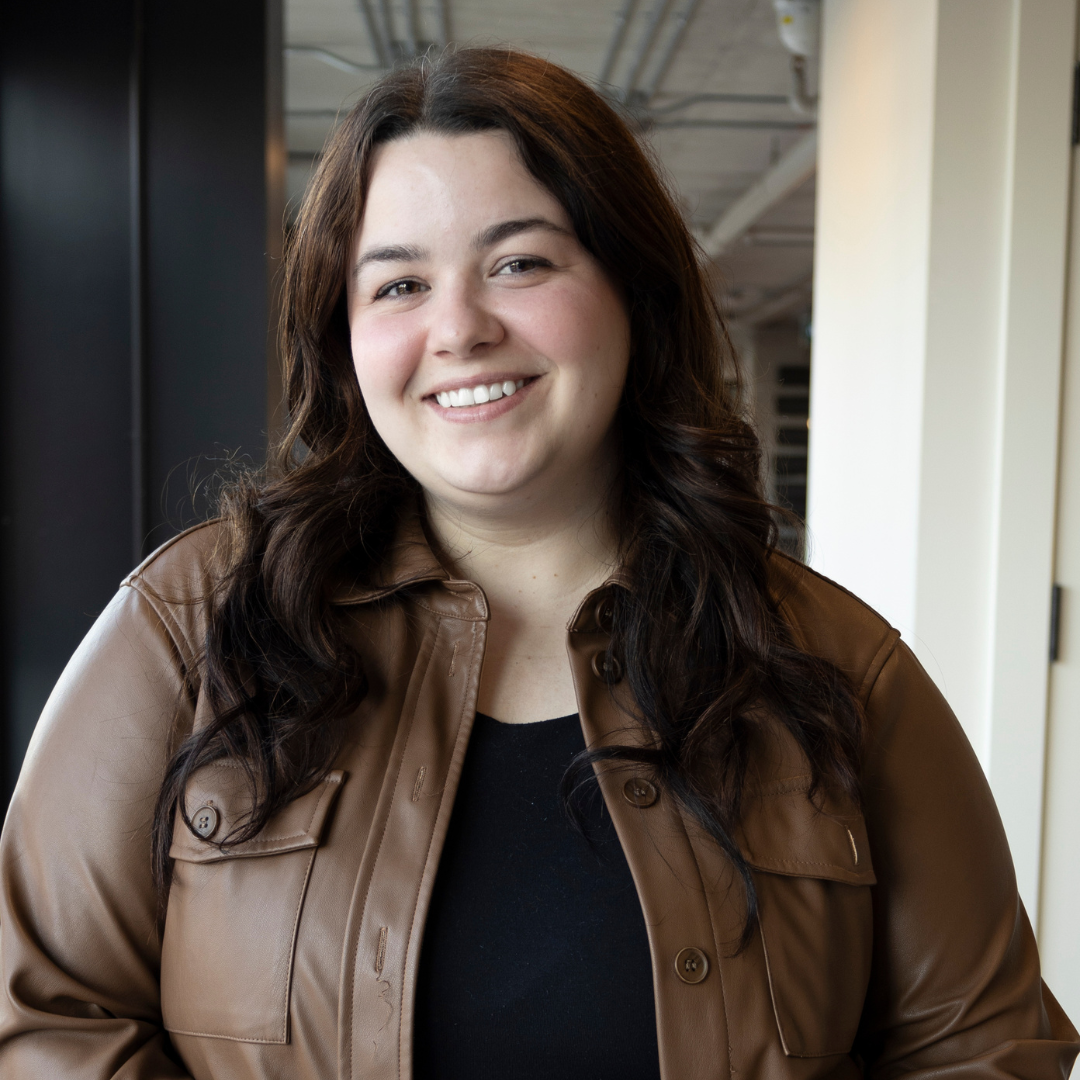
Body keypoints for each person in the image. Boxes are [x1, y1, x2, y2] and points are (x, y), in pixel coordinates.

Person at [0, 45, 1075, 1080]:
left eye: (519, 263)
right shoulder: (193, 628)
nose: (459, 328)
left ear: (633, 293)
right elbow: (41, 1014)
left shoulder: (835, 668)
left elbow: (982, 1048)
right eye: (397, 285)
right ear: (343, 339)